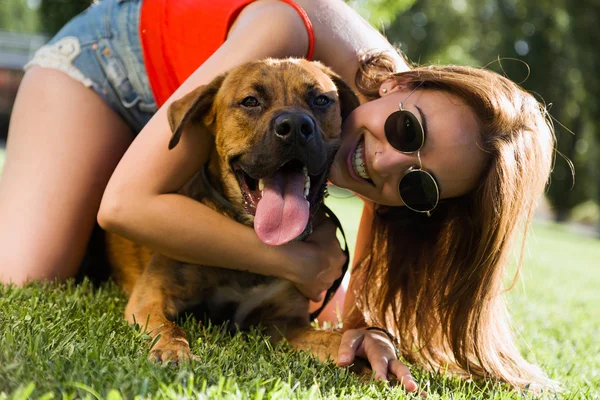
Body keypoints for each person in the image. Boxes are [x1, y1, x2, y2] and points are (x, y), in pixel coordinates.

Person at [0, 0, 556, 393]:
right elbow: (122, 205)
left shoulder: (375, 133)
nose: (385, 160)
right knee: (26, 272)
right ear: (403, 84)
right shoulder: (290, 39)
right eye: (408, 130)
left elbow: (351, 286)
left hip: (210, 124)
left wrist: (363, 326)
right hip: (109, 72)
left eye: (419, 184)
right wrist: (294, 258)